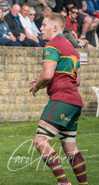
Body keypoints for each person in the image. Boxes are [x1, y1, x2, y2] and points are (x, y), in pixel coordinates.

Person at [29, 13, 88, 185]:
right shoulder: (73, 49)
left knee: (40, 141)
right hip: (74, 102)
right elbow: (77, 80)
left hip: (61, 99)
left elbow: (47, 75)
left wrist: (37, 84)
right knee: (70, 148)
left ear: (55, 27)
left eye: (44, 25)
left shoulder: (52, 45)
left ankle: (64, 183)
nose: (40, 28)